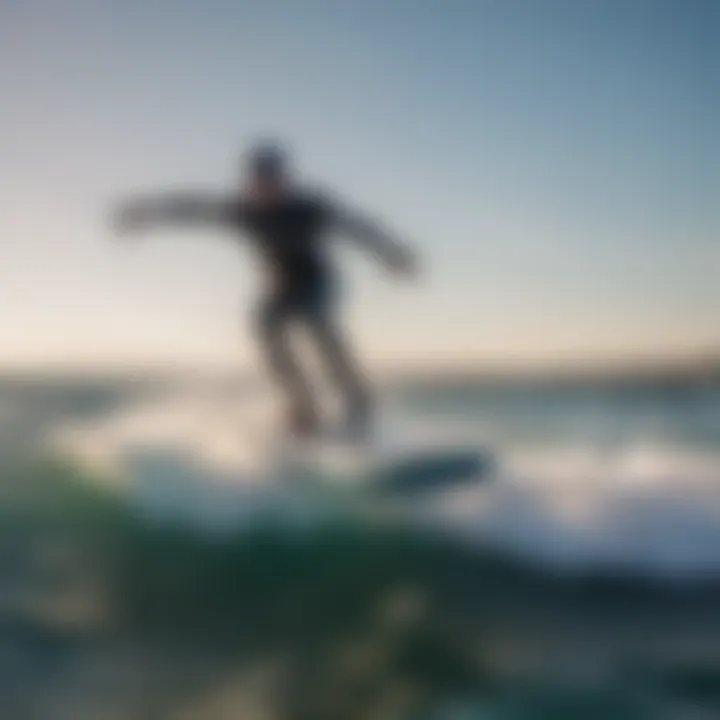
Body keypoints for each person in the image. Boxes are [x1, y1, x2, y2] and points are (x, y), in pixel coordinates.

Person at [113, 142, 418, 440]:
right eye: (258, 181)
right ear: (250, 182)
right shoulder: (242, 212)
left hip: (317, 282)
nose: (265, 188)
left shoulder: (308, 208)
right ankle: (303, 409)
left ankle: (358, 403)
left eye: (271, 180)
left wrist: (393, 254)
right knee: (263, 326)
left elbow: (357, 227)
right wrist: (145, 213)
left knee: (317, 324)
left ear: (283, 180)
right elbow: (190, 208)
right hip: (281, 287)